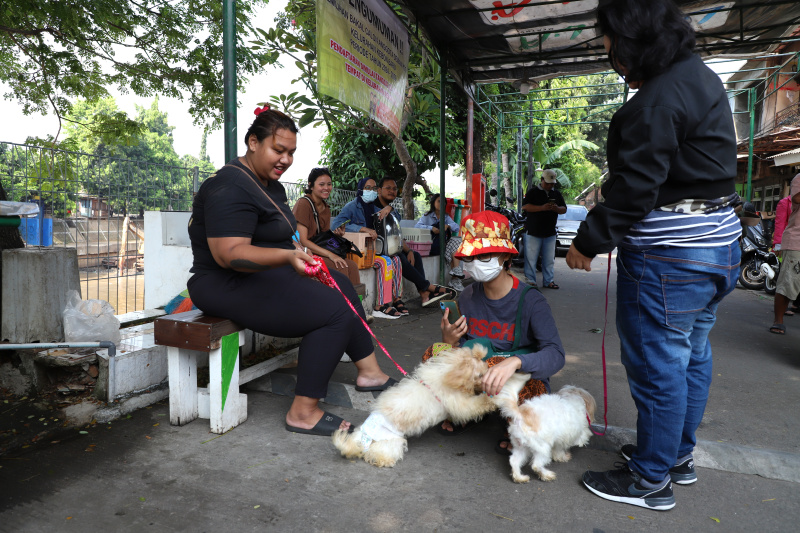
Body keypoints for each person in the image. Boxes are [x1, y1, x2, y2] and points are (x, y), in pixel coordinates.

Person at [566, 0, 742, 511]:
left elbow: (637, 187)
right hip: (716, 248)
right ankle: (674, 457)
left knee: (659, 366)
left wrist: (588, 241)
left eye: (607, 40)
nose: (605, 51)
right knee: (690, 357)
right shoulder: (700, 77)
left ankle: (649, 480)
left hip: (672, 258)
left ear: (630, 36)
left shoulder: (657, 99)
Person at [186, 106, 393, 437]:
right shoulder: (229, 187)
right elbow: (229, 255)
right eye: (277, 150)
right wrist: (286, 258)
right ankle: (303, 411)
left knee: (340, 282)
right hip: (223, 283)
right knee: (334, 311)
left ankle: (369, 373)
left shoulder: (271, 185)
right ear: (253, 142)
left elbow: (282, 238)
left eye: (291, 152)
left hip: (259, 276)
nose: (285, 159)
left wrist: (298, 254)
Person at [435, 210, 565, 452]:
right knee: (434, 355)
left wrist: (515, 362)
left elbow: (556, 355)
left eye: (484, 255)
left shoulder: (531, 301)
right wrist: (449, 340)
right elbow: (460, 349)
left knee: (529, 393)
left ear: (505, 254)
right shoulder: (468, 296)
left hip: (517, 381)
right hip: (480, 375)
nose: (474, 263)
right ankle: (472, 412)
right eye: (470, 257)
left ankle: (514, 426)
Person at [333, 177, 452, 316]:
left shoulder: (375, 207)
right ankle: (424, 288)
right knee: (394, 258)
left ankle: (415, 295)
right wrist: (362, 229)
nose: (370, 191)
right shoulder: (354, 206)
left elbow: (395, 234)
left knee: (407, 256)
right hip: (363, 250)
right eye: (367, 188)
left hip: (382, 247)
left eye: (373, 187)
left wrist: (409, 250)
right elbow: (337, 225)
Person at [292, 167, 364, 294]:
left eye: (329, 184)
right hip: (302, 252)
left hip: (316, 250)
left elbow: (322, 237)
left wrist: (336, 235)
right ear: (311, 186)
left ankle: (356, 307)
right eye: (321, 184)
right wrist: (331, 255)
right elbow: (303, 240)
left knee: (352, 266)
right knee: (339, 266)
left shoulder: (325, 207)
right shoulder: (304, 204)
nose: (326, 188)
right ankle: (341, 308)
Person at [521, 169, 566, 289]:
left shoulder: (556, 194)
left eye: (552, 183)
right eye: (548, 183)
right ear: (542, 180)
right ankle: (530, 281)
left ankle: (549, 281)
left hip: (550, 232)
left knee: (549, 259)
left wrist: (556, 209)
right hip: (533, 231)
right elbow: (525, 206)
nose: (550, 185)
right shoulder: (533, 192)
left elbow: (564, 209)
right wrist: (542, 208)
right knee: (531, 259)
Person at [415, 193, 465, 292]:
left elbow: (456, 226)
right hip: (431, 246)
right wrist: (431, 228)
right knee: (454, 246)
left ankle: (455, 275)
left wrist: (448, 226)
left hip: (443, 245)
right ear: (433, 203)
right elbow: (417, 226)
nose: (441, 204)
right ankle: (455, 278)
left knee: (456, 242)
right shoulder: (427, 216)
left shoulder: (445, 216)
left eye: (443, 202)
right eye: (439, 201)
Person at [770, 173, 800, 334]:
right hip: (796, 241)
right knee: (789, 282)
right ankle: (778, 320)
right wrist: (777, 243)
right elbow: (796, 199)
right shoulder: (799, 179)